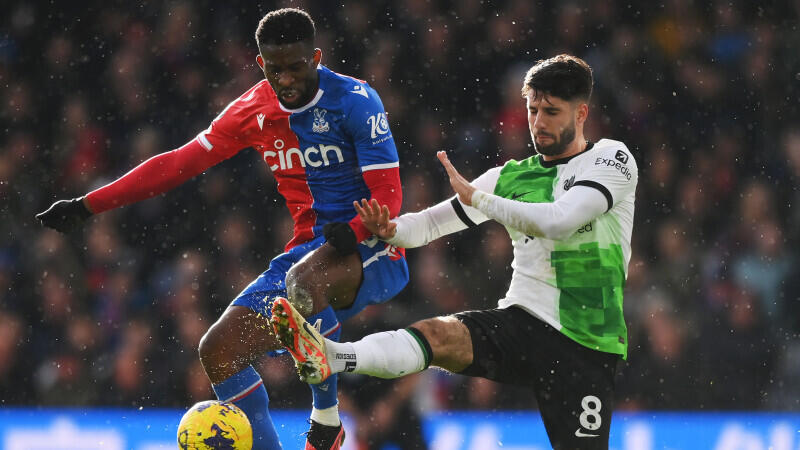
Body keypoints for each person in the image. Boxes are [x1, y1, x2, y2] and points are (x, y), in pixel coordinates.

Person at [35, 8, 409, 450]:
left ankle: (326, 420)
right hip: (306, 253)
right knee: (218, 352)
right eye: (275, 69)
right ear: (259, 64)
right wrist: (89, 204)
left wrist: (352, 230)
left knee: (307, 282)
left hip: (370, 249)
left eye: (296, 67)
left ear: (316, 57)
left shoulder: (356, 101)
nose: (286, 79)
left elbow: (388, 196)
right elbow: (176, 164)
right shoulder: (252, 110)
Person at [271, 54, 638, 449]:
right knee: (437, 336)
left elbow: (559, 220)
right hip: (523, 321)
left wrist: (482, 200)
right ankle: (331, 355)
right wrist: (390, 229)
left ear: (581, 113)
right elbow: (429, 224)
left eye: (551, 111)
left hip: (585, 344)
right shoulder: (510, 176)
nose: (539, 122)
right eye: (533, 109)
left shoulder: (611, 160)